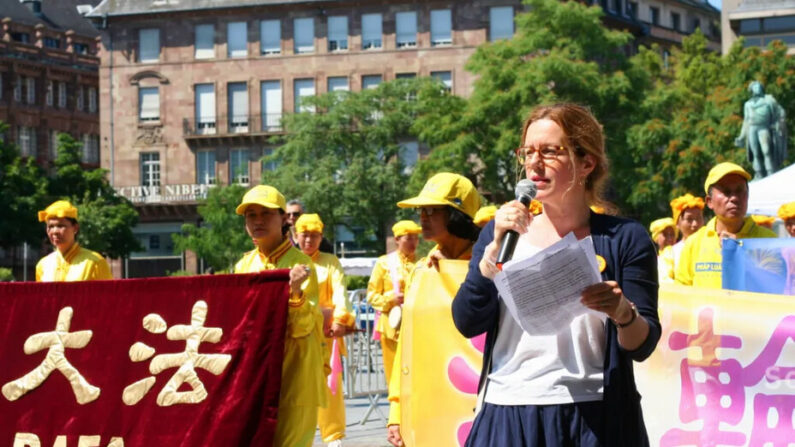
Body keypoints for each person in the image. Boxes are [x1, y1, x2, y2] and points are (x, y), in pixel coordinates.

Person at [452, 103, 661, 446]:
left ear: (586, 163)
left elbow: (643, 343)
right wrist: (488, 263)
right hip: (508, 408)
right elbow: (467, 321)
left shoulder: (625, 238)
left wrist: (623, 313)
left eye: (550, 151)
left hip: (595, 415)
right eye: (527, 152)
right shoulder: (500, 233)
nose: (534, 163)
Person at [387, 172, 482, 447]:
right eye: (421, 210)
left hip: (472, 411)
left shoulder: (490, 270)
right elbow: (407, 347)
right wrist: (396, 412)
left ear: (457, 215)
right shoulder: (421, 271)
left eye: (432, 210)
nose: (423, 218)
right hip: (426, 413)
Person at [233, 185, 327, 447]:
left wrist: (294, 290)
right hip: (259, 376)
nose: (258, 221)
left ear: (284, 219)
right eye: (251, 215)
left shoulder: (302, 264)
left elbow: (302, 327)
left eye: (266, 213)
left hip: (296, 374)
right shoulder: (244, 265)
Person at [294, 213, 355, 447]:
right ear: (296, 236)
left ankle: (333, 435)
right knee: (297, 387)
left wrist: (341, 319)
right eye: (305, 235)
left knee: (331, 384)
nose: (309, 240)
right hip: (297, 335)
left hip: (327, 334)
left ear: (321, 237)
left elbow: (341, 292)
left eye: (314, 236)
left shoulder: (331, 262)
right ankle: (300, 436)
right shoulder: (290, 260)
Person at [675, 162, 777, 288]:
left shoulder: (769, 240)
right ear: (709, 201)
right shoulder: (694, 243)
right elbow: (682, 292)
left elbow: (777, 286)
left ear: (747, 196)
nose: (734, 198)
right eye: (726, 192)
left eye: (740, 191)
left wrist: (741, 255)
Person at [366, 220, 422, 387]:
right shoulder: (383, 263)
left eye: (416, 238)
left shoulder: (423, 262)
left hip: (417, 325)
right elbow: (371, 295)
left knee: (417, 376)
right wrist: (390, 299)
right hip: (391, 328)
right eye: (408, 238)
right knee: (394, 377)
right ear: (397, 239)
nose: (413, 242)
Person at [36, 200, 112, 282]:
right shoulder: (43, 265)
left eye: (60, 226)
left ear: (75, 228)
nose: (54, 231)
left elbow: (109, 294)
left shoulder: (95, 262)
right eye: (50, 226)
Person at [668, 193, 705, 279]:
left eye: (698, 218)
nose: (695, 224)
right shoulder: (670, 255)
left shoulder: (713, 246)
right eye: (689, 219)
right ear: (677, 223)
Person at [649, 217, 676, 283]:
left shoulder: (679, 253)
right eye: (665, 234)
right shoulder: (652, 259)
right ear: (656, 237)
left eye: (672, 234)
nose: (669, 238)